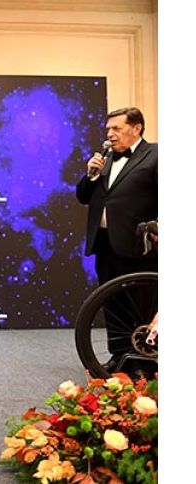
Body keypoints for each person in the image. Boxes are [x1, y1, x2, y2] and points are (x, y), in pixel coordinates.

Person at [76, 106, 157, 370]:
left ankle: (145, 357)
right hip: (104, 243)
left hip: (138, 245)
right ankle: (119, 355)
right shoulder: (106, 158)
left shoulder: (155, 155)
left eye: (116, 128)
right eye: (108, 129)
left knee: (141, 303)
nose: (110, 134)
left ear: (136, 129)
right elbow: (83, 196)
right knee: (111, 302)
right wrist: (90, 175)